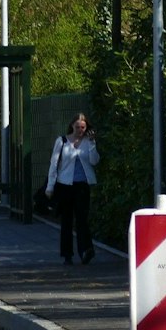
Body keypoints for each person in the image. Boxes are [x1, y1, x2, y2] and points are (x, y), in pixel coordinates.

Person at [44, 113, 99, 264]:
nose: (80, 130)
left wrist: (93, 143)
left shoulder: (88, 142)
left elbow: (94, 161)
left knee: (82, 219)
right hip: (65, 185)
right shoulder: (61, 141)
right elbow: (54, 164)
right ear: (72, 126)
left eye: (83, 127)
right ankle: (67, 254)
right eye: (77, 127)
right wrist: (50, 186)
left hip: (82, 185)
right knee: (66, 220)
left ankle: (85, 251)